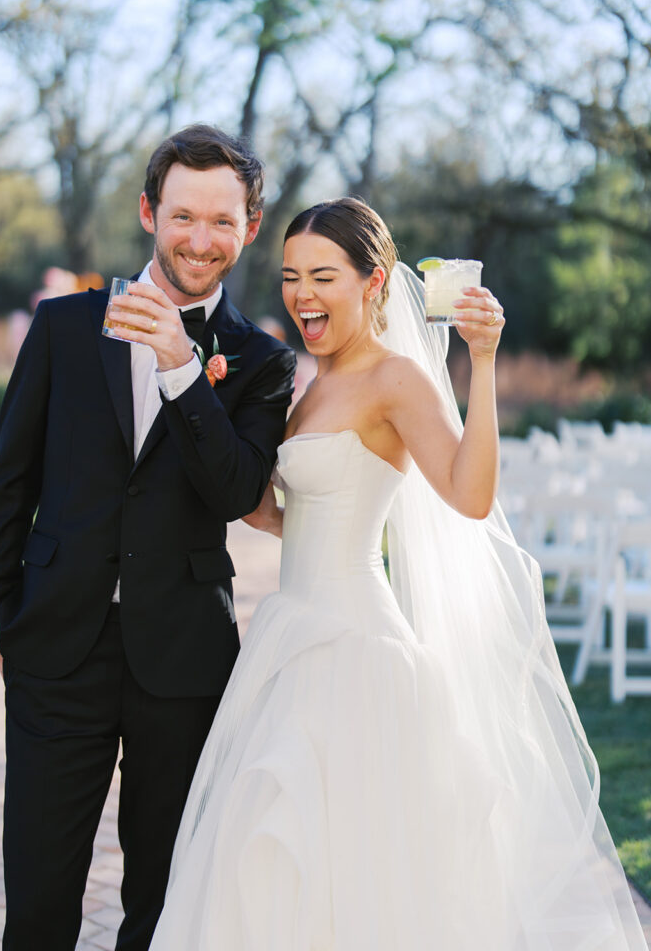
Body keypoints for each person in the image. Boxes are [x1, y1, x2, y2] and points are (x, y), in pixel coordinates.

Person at [147, 197, 646, 949]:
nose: (302, 295)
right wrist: (209, 412)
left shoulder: (396, 379)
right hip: (291, 639)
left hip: (355, 650)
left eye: (322, 277)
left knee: (353, 865)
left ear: (372, 281)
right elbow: (274, 513)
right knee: (278, 857)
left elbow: (470, 496)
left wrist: (483, 364)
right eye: (290, 277)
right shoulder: (311, 384)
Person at [0, 123, 297, 951]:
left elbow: (236, 491)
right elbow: (11, 480)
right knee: (39, 900)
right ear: (150, 213)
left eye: (221, 221)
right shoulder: (62, 327)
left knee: (162, 905)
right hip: (56, 646)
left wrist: (185, 368)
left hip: (183, 656)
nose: (200, 239)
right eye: (183, 215)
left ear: (250, 226)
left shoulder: (261, 362)